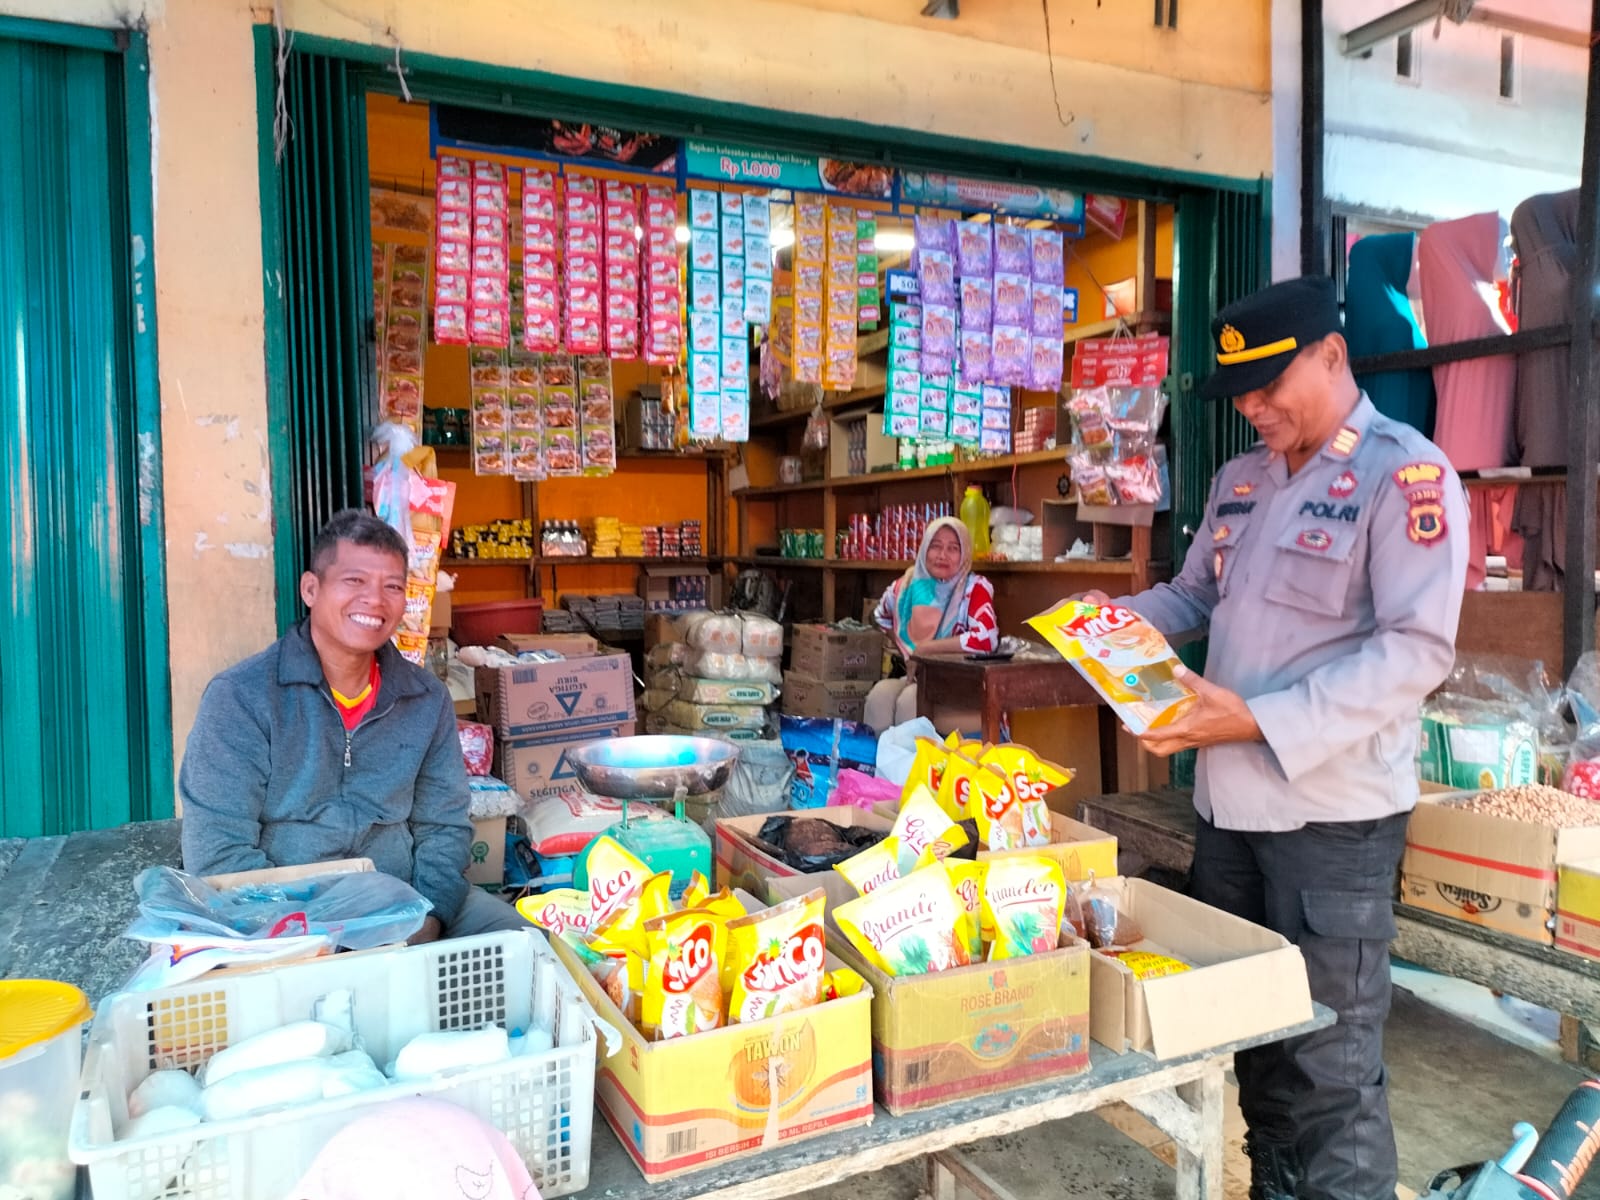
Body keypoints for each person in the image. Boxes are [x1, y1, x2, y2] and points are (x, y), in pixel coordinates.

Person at [1093, 277, 1469, 1200]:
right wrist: (1103, 620)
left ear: (1331, 357)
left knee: (1328, 1067)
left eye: (1269, 388)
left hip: (1332, 824)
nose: (1253, 410)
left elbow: (1416, 650)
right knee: (1254, 1047)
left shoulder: (1404, 474)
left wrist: (1257, 719)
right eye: (1240, 397)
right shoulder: (1242, 479)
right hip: (1229, 811)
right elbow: (1195, 597)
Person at [180, 509, 525, 942]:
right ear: (311, 589)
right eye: (354, 581)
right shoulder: (241, 697)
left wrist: (429, 919)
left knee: (524, 944)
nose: (375, 601)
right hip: (282, 920)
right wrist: (314, 942)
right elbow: (217, 851)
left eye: (393, 586)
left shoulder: (424, 699)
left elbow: (444, 826)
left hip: (403, 902)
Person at [863, 516, 998, 732]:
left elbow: (986, 639)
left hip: (961, 685)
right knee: (878, 698)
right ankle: (881, 764)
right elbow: (880, 616)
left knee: (910, 702)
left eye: (953, 548)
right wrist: (907, 652)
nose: (943, 555)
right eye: (936, 546)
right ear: (924, 549)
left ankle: (919, 766)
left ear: (964, 554)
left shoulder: (974, 588)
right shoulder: (906, 586)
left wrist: (926, 650)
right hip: (917, 676)